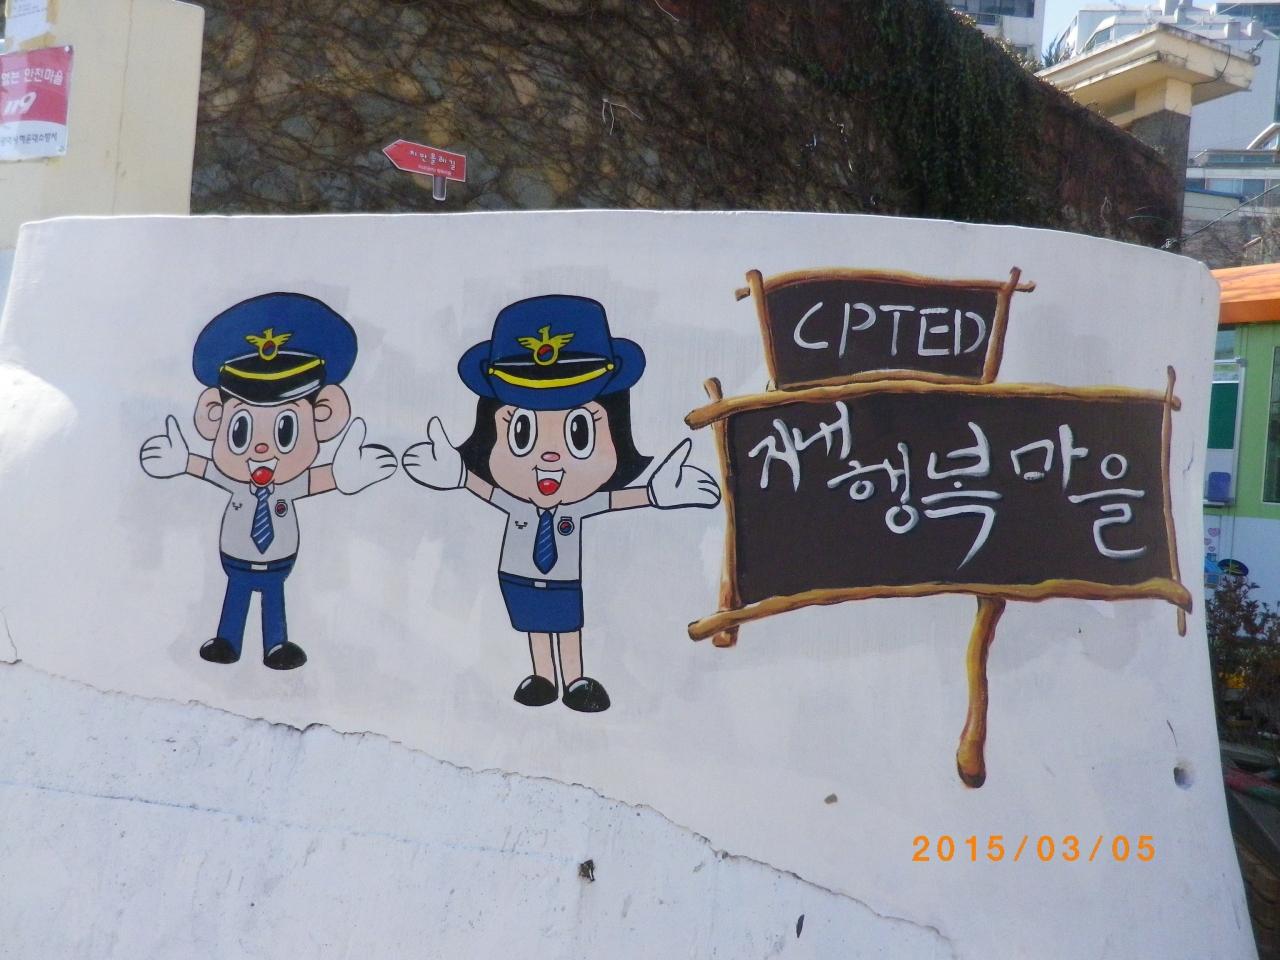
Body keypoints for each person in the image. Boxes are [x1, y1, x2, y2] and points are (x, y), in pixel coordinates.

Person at [402, 294, 720, 712]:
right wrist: (459, 476)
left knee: (568, 624)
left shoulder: (575, 508)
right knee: (534, 625)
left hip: (564, 578)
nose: (550, 456)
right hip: (516, 576)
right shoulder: (517, 504)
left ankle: (575, 679)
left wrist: (654, 496)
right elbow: (490, 493)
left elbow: (610, 501)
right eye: (522, 432)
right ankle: (543, 677)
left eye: (579, 432)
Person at [139, 292, 397, 669]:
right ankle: (228, 640)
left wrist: (343, 476)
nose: (261, 447)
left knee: (274, 597)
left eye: (284, 428)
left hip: (278, 559)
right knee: (237, 594)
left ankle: (276, 644)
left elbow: (314, 481)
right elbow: (208, 469)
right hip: (236, 557)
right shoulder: (237, 481)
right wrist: (183, 461)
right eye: (241, 428)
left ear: (326, 414)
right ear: (213, 415)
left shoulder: (286, 486)